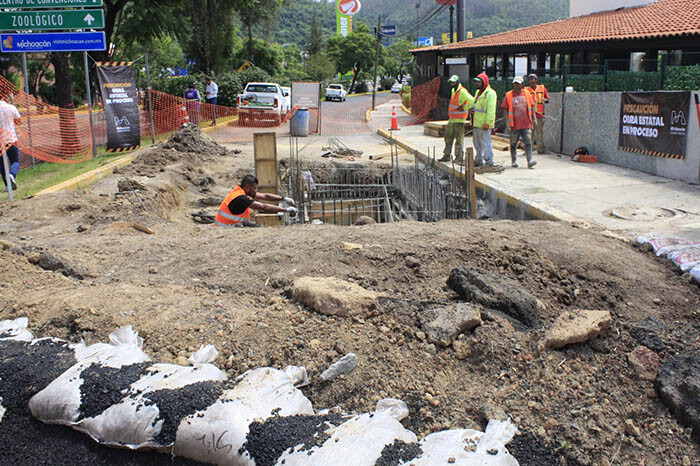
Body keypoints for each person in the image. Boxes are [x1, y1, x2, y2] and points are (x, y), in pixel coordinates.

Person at [215, 175, 297, 227]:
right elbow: (263, 207)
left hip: (232, 223)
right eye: (254, 188)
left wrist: (284, 198)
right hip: (226, 227)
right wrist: (286, 210)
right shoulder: (241, 198)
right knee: (258, 228)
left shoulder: (241, 191)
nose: (256, 190)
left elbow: (265, 196)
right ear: (247, 187)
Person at [501, 76, 536, 168]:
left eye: (518, 84)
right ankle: (514, 160)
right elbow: (504, 109)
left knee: (528, 142)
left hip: (526, 123)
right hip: (514, 125)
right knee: (513, 143)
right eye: (515, 84)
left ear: (522, 84)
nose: (517, 86)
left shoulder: (527, 94)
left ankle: (530, 160)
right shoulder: (509, 95)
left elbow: (532, 107)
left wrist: (534, 119)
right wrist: (507, 123)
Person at [439, 75, 473, 165]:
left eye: (453, 82)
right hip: (452, 119)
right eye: (451, 82)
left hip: (459, 120)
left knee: (459, 140)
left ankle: (459, 157)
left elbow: (472, 100)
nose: (451, 84)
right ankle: (446, 155)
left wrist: (465, 107)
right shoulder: (454, 90)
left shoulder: (462, 91)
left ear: (457, 82)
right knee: (448, 138)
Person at [470, 72, 497, 167]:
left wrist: (488, 123)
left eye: (478, 82)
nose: (476, 84)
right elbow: (475, 105)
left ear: (484, 82)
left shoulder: (491, 94)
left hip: (484, 124)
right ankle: (478, 159)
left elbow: (491, 110)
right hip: (476, 123)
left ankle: (489, 161)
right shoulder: (478, 92)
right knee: (476, 143)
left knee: (485, 143)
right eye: (476, 82)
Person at [0, 92, 22, 191]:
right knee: (15, 161)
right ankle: (12, 174)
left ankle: (7, 185)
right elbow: (18, 121)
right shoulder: (11, 107)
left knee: (1, 164)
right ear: (3, 96)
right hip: (11, 139)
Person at [524, 73, 550, 154]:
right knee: (529, 133)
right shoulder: (526, 90)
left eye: (533, 79)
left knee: (539, 133)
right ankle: (529, 150)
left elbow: (547, 99)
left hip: (539, 115)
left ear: (536, 80)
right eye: (530, 79)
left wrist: (544, 100)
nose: (532, 81)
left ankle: (540, 149)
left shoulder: (542, 88)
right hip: (529, 115)